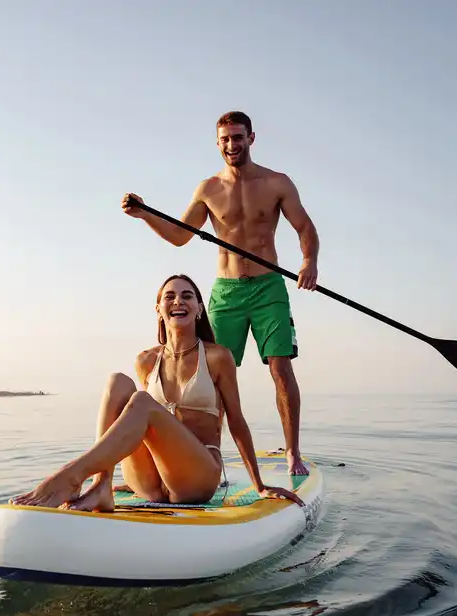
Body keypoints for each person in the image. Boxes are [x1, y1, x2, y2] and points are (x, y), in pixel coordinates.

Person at [121, 110, 320, 477]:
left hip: (268, 287)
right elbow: (181, 235)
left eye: (238, 137)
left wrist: (309, 262)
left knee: (280, 368)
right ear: (218, 143)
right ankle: (210, 454)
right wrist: (146, 214)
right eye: (225, 139)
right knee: (213, 373)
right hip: (226, 292)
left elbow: (305, 227)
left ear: (251, 138)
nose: (232, 145)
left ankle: (293, 453)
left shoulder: (277, 183)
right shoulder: (208, 189)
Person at [10, 274, 303, 512]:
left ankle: (70, 475)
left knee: (142, 401)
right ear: (158, 309)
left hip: (196, 479)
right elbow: (135, 428)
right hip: (152, 482)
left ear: (200, 308)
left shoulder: (217, 357)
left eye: (188, 296)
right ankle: (102, 485)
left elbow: (236, 421)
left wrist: (258, 484)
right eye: (170, 296)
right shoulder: (146, 360)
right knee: (118, 383)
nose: (179, 301)